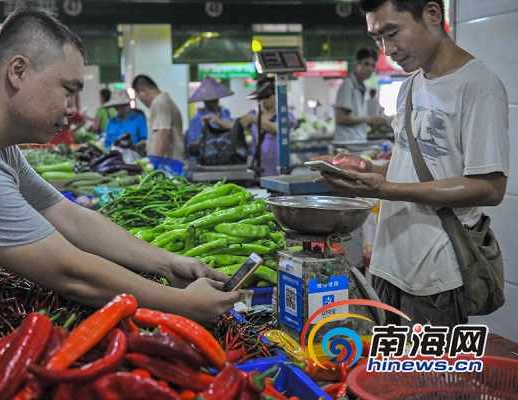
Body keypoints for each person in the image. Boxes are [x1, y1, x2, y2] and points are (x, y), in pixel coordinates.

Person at [0, 8, 240, 336]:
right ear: (18, 70)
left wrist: (168, 263)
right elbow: (68, 271)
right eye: (67, 90)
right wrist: (181, 303)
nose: (72, 108)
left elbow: (68, 216)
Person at [312, 0, 509, 328]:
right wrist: (365, 171)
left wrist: (387, 189)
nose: (387, 49)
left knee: (429, 377)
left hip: (435, 276)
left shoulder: (477, 86)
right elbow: (415, 170)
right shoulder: (409, 87)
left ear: (432, 14)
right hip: (389, 265)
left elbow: (490, 187)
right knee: (389, 375)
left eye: (392, 33)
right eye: (377, 39)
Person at [204, 76, 298, 177]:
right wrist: (217, 121)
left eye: (267, 96)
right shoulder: (253, 114)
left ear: (276, 96)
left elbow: (279, 129)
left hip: (280, 169)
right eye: (260, 97)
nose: (263, 101)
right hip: (259, 169)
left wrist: (254, 119)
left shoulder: (285, 115)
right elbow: (235, 127)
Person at [333, 47, 388, 142]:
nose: (370, 69)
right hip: (347, 145)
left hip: (357, 143)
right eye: (366, 64)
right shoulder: (348, 85)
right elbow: (340, 118)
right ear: (357, 63)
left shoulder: (361, 87)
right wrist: (369, 119)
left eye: (372, 65)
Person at [132, 75, 185, 161]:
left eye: (139, 98)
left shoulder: (159, 103)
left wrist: (155, 163)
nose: (141, 101)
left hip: (168, 165)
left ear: (142, 91)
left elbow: (163, 133)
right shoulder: (164, 101)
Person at [185, 76, 233, 159]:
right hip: (207, 159)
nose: (212, 102)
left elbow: (233, 127)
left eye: (214, 99)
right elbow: (192, 146)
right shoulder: (198, 119)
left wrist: (216, 121)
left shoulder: (225, 113)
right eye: (209, 100)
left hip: (226, 157)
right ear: (204, 101)